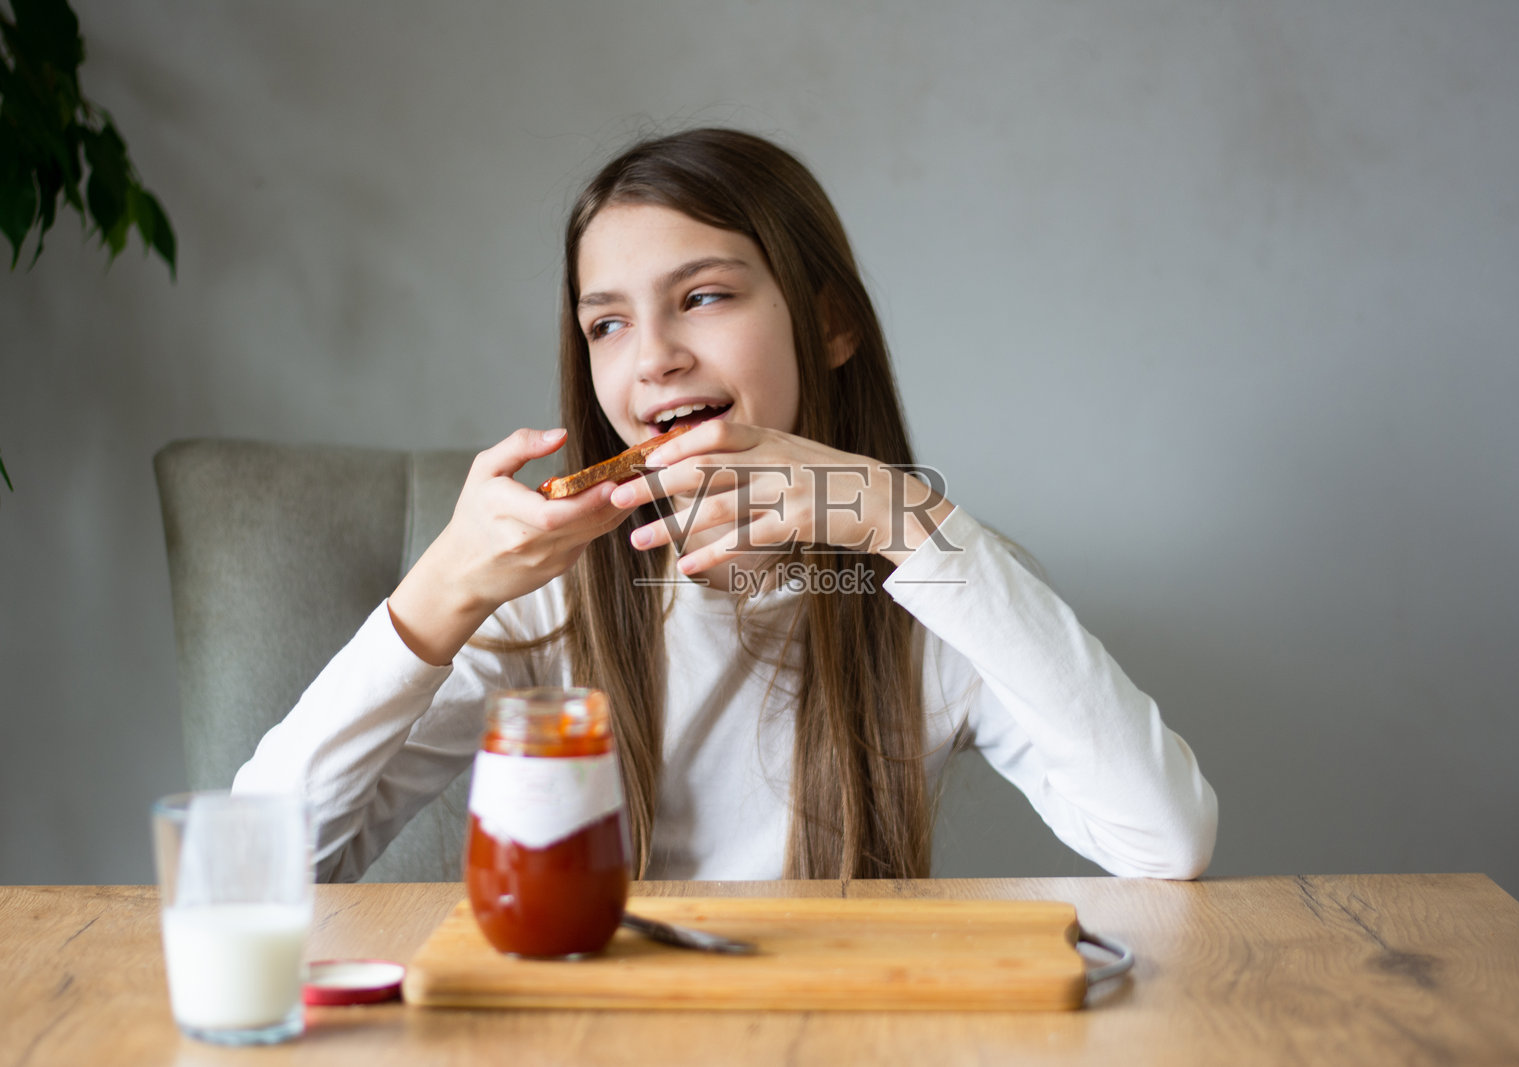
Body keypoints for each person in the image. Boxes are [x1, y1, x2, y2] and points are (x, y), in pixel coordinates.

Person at [235, 128, 1217, 883]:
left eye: (702, 296)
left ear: (829, 323)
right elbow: (256, 868)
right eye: (606, 322)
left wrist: (897, 519)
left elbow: (1162, 840)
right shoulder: (546, 600)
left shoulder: (937, 583)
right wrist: (433, 598)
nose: (652, 353)